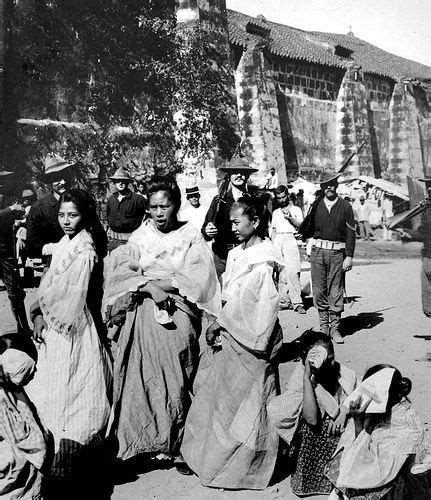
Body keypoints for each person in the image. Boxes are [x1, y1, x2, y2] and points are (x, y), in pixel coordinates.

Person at [103, 175, 220, 472]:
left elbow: (199, 276)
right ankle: (143, 442)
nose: (158, 212)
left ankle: (180, 442)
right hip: (143, 311)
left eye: (164, 206)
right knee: (139, 375)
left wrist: (162, 285)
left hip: (178, 310)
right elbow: (121, 272)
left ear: (176, 205)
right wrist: (147, 287)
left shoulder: (190, 235)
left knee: (178, 372)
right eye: (153, 207)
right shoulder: (140, 236)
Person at [181, 196, 283, 490]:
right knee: (221, 400)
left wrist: (221, 322)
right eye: (232, 222)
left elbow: (253, 304)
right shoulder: (239, 252)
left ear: (256, 222)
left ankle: (245, 468)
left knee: (248, 404)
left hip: (249, 334)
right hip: (231, 330)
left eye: (238, 222)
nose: (233, 227)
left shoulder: (263, 258)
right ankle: (215, 461)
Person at [26, 189, 112, 497]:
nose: (65, 221)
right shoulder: (66, 242)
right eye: (61, 215)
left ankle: (71, 454)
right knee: (55, 385)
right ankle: (53, 446)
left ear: (84, 215)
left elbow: (70, 293)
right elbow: (50, 278)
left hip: (73, 323)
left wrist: (43, 307)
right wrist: (40, 309)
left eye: (72, 215)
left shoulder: (85, 247)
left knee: (75, 385)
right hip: (57, 321)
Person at [267, 330, 357, 497]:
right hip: (315, 435)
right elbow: (312, 419)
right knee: (310, 429)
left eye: (331, 358)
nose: (330, 364)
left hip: (339, 428)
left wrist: (344, 410)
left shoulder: (342, 372)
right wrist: (308, 379)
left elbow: (357, 394)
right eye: (325, 361)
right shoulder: (299, 381)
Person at [326, 364, 431, 499]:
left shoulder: (403, 427)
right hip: (380, 465)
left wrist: (358, 422)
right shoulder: (389, 407)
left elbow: (373, 468)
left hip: (396, 477)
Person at [308, 170, 356, 343]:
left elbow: (351, 233)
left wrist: (349, 256)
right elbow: (307, 227)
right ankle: (323, 328)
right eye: (326, 184)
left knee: (335, 291)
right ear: (322, 187)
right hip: (317, 253)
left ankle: (335, 329)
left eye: (332, 184)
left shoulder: (345, 206)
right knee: (319, 290)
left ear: (336, 185)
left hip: (337, 254)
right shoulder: (316, 205)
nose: (329, 187)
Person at [0, 334, 48, 499]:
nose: (35, 372)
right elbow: (26, 440)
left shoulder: (10, 389)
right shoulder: (4, 399)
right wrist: (43, 450)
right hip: (14, 470)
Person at [202, 156, 258, 278]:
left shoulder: (254, 201)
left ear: (247, 176)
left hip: (247, 254)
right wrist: (208, 231)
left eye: (242, 173)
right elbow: (206, 228)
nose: (238, 175)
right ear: (229, 176)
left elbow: (260, 229)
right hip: (222, 257)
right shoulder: (219, 201)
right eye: (234, 173)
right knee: (219, 294)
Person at [0, 169, 30, 335]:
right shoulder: (10, 203)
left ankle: (23, 329)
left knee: (15, 293)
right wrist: (10, 210)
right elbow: (13, 211)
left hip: (6, 250)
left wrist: (14, 211)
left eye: (4, 179)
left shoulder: (10, 196)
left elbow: (21, 213)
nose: (1, 182)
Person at [270, 186, 305, 314]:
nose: (281, 200)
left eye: (283, 197)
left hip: (290, 239)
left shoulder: (296, 209)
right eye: (278, 198)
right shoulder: (276, 212)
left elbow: (301, 226)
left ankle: (297, 302)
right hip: (278, 239)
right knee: (281, 272)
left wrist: (290, 219)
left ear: (288, 195)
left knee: (293, 271)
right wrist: (272, 248)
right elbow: (273, 230)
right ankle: (284, 301)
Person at [106, 166, 147, 252]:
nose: (120, 183)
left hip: (131, 241)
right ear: (114, 183)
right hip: (113, 240)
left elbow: (149, 216)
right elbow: (108, 217)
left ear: (128, 182)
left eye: (123, 181)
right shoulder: (111, 199)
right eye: (117, 181)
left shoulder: (138, 199)